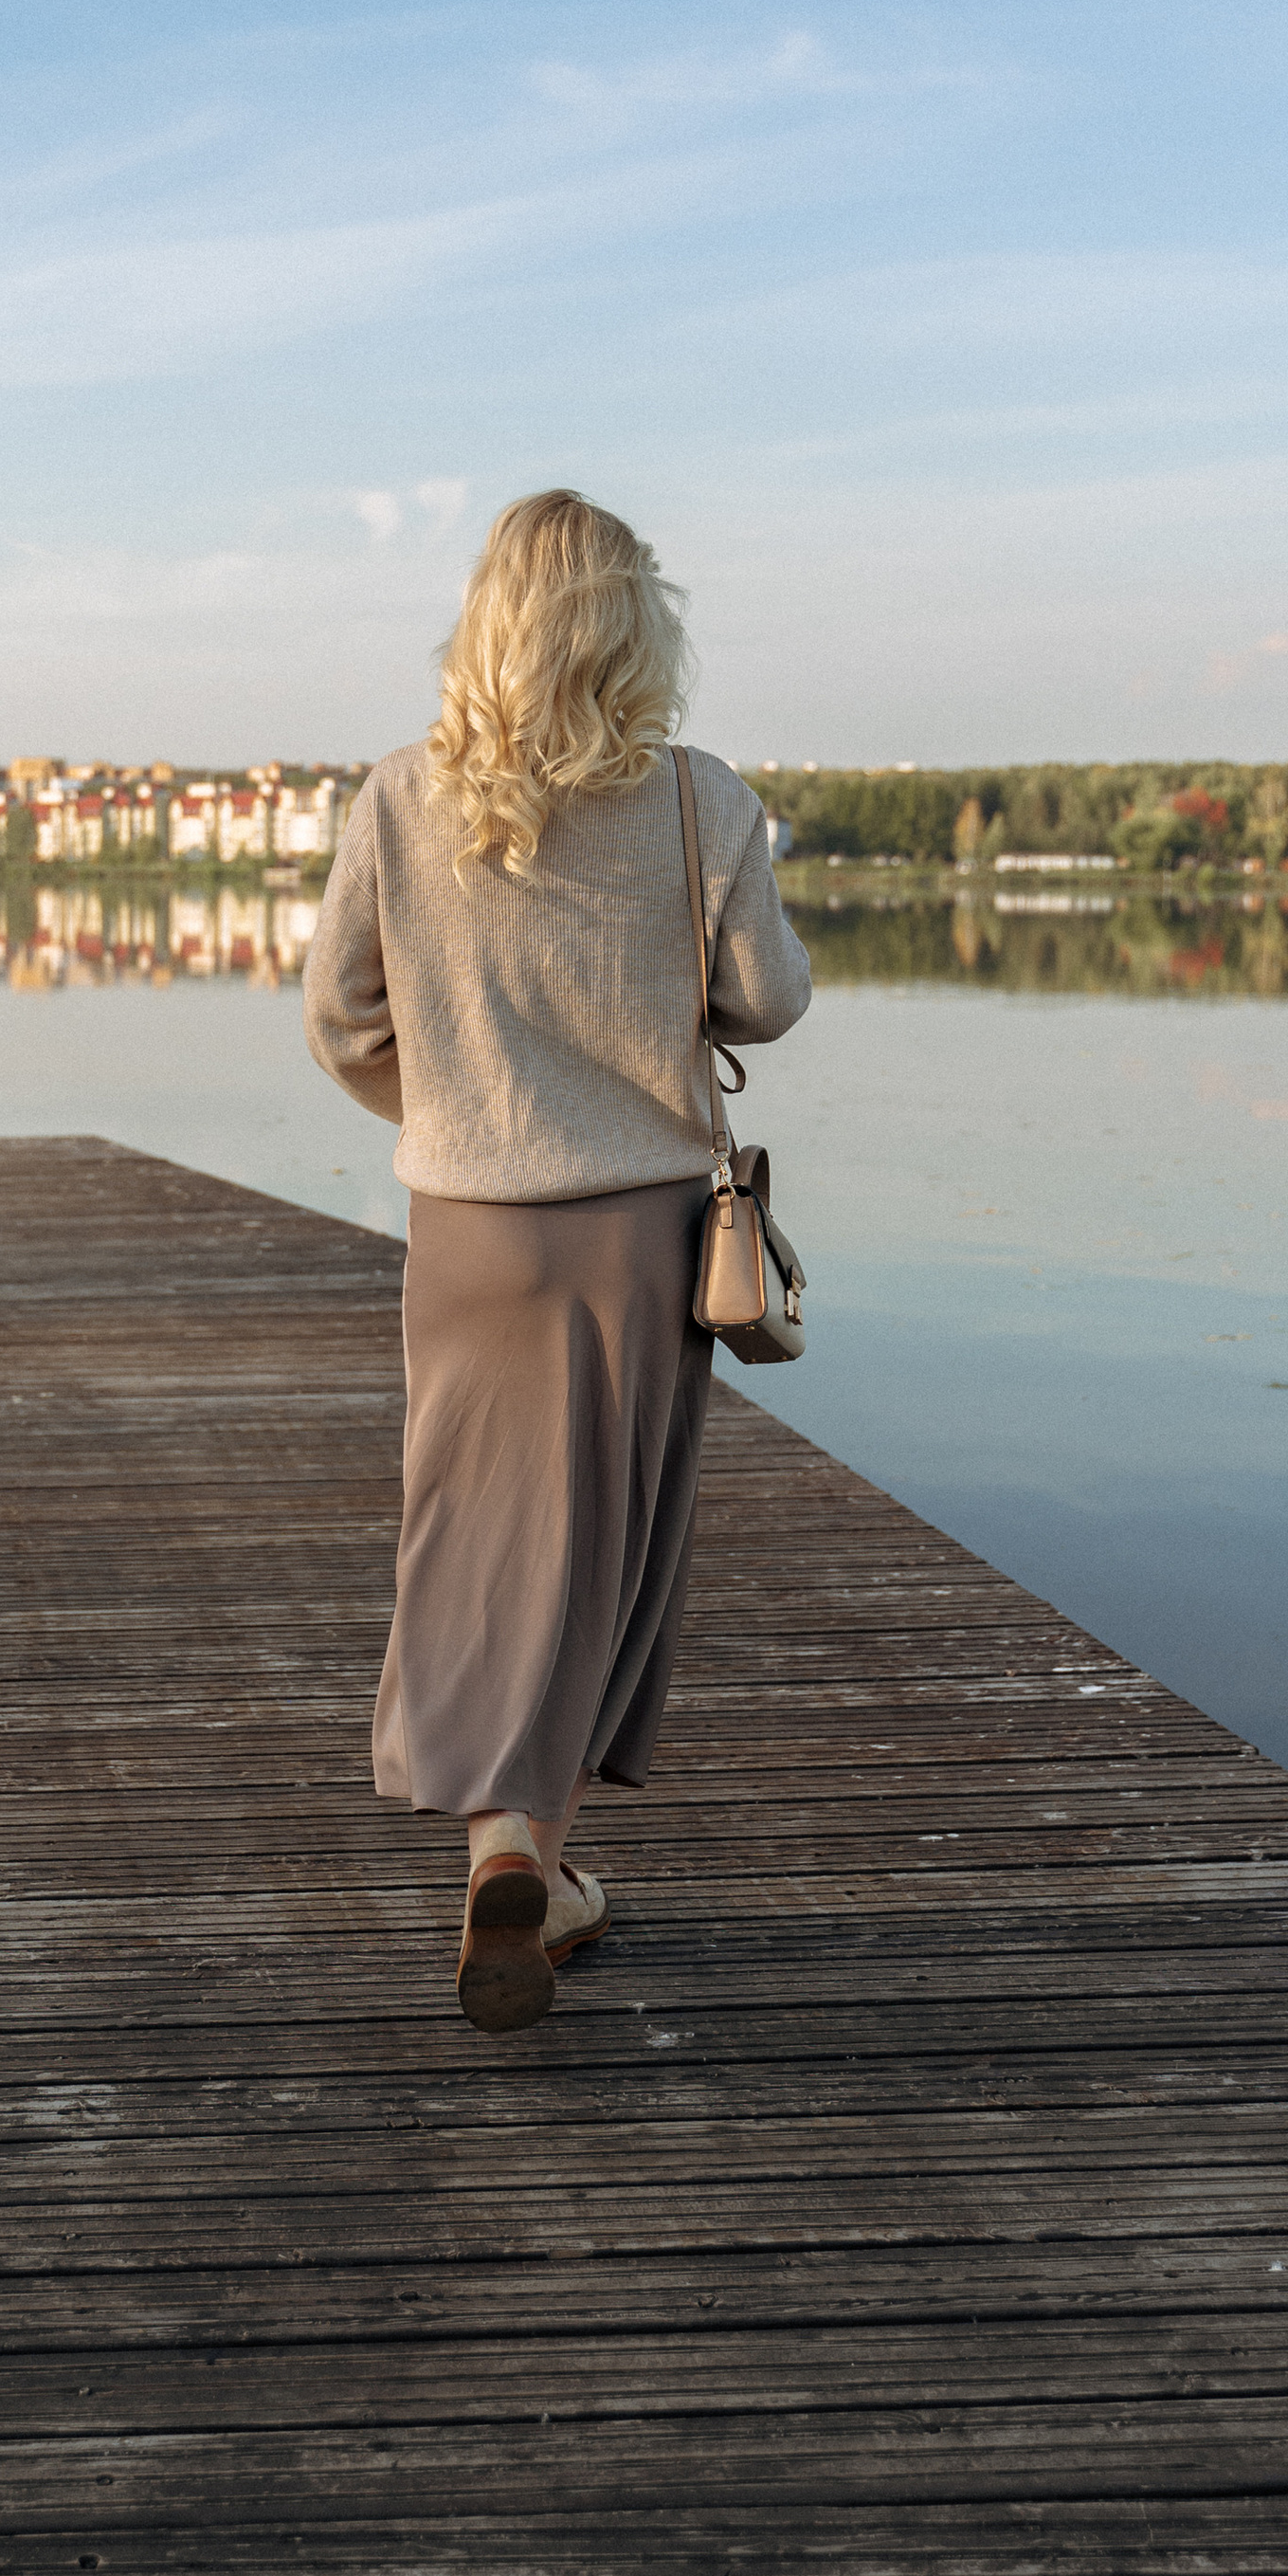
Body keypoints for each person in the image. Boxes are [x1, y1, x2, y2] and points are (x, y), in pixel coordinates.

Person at [303, 489, 815, 2032]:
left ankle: (508, 1862)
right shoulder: (696, 803)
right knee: (597, 1552)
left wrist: (454, 1112)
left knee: (465, 1539)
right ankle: (530, 1860)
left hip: (465, 1236)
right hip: (640, 1240)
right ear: (634, 627)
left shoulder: (401, 797)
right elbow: (770, 1000)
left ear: (486, 624)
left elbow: (340, 1019)